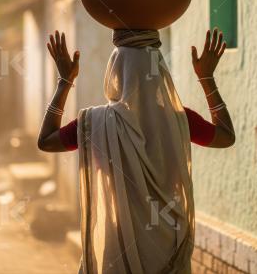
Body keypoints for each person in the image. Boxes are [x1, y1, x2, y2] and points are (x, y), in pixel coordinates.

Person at [37, 28, 235, 274]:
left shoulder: (96, 123)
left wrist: (65, 81)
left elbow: (46, 141)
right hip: (169, 245)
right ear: (160, 73)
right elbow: (226, 136)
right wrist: (207, 79)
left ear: (115, 74)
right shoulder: (179, 120)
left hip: (119, 247)